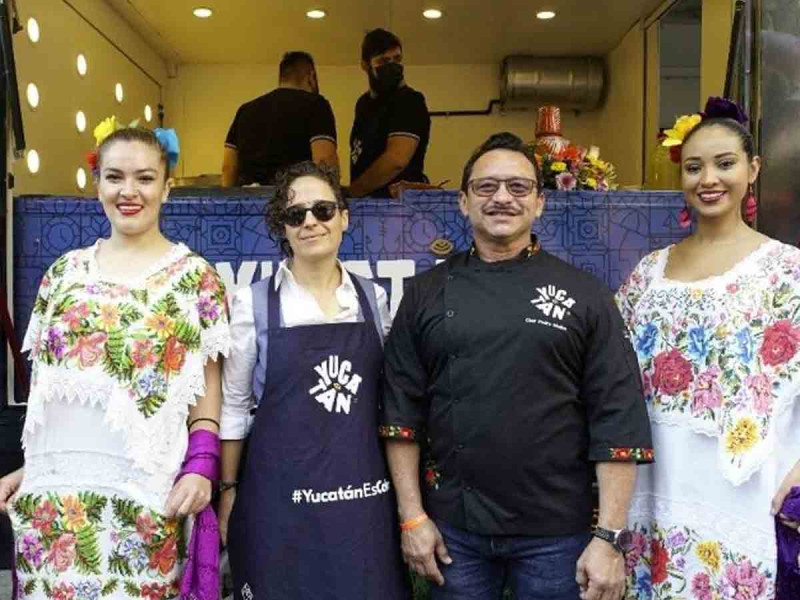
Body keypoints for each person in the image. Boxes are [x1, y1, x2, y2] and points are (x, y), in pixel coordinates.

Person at [381, 131, 653, 600]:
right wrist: (412, 516)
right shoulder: (425, 293)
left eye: (518, 187)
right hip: (453, 531)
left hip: (558, 534)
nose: (502, 198)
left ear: (540, 203)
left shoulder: (584, 294)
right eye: (486, 187)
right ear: (463, 202)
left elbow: (617, 418)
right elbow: (401, 414)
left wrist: (609, 538)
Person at [0, 120, 230, 600]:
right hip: (53, 513)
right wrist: (32, 469)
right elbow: (54, 398)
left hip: (145, 507)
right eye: (115, 177)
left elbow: (207, 392)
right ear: (97, 183)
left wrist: (201, 467)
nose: (129, 191)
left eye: (145, 178)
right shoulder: (62, 274)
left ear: (167, 188)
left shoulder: (196, 279)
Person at [616, 97, 800, 600]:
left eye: (725, 163)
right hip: (655, 477)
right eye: (694, 167)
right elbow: (609, 373)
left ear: (752, 170)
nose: (708, 179)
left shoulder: (787, 270)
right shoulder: (648, 274)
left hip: (747, 486)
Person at [217, 161, 407, 599]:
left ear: (344, 217)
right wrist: (228, 491)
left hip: (362, 502)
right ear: (282, 227)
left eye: (323, 210)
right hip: (279, 504)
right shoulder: (252, 304)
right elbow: (234, 406)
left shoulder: (374, 299)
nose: (310, 222)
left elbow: (391, 400)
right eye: (294, 214)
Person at [222, 51, 338, 187]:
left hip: (250, 196)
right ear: (311, 77)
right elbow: (324, 160)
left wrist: (230, 197)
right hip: (292, 195)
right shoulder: (316, 104)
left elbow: (228, 168)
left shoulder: (245, 110)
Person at [349, 28, 430, 198]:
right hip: (366, 204)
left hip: (397, 206)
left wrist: (353, 191)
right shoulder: (363, 104)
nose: (392, 66)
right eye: (383, 61)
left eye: (397, 59)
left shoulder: (409, 100)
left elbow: (396, 160)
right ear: (365, 65)